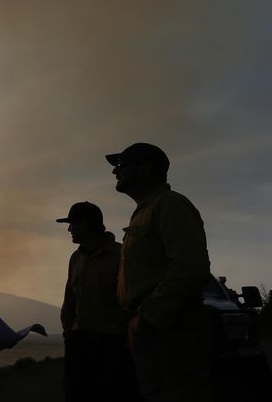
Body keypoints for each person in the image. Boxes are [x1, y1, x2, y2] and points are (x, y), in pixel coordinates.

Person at [107, 143, 212, 401]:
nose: (115, 172)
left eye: (121, 165)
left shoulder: (171, 205)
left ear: (144, 169)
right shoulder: (144, 212)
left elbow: (190, 266)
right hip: (152, 329)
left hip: (170, 330)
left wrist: (149, 317)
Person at [58, 201, 140, 402]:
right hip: (79, 345)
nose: (69, 229)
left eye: (72, 224)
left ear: (85, 224)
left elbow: (134, 300)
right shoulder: (76, 258)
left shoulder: (122, 255)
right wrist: (69, 333)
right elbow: (69, 300)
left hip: (112, 345)